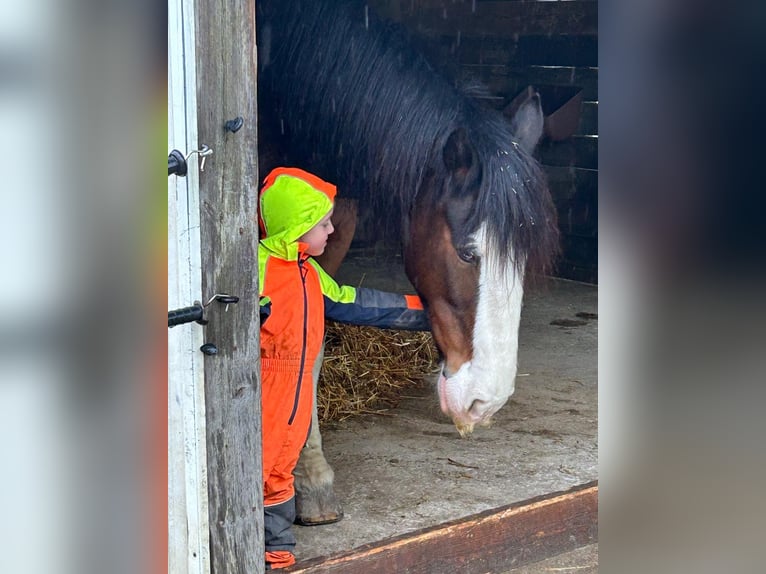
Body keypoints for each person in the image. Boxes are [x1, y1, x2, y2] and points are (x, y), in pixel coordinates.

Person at [257, 167, 429, 569]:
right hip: (265, 391)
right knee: (257, 471)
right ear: (298, 227)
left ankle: (277, 555)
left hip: (297, 399)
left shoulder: (308, 271)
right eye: (323, 223)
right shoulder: (257, 269)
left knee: (282, 473)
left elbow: (353, 301)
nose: (333, 230)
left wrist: (427, 310)